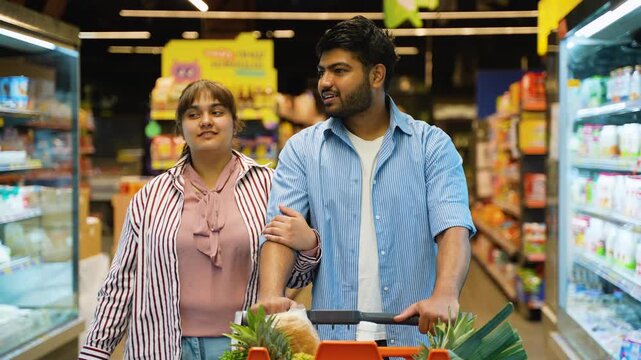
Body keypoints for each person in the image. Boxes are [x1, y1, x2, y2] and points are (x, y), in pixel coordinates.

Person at [257, 16, 476, 347]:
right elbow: (280, 233)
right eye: (322, 71)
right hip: (333, 340)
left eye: (340, 71)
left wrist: (445, 294)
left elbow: (453, 227)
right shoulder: (303, 150)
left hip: (413, 338)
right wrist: (270, 296)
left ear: (376, 74)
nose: (325, 82)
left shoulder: (431, 145)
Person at [79, 80, 319, 360]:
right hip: (163, 347)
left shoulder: (270, 187)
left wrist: (309, 244)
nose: (206, 121)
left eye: (217, 112)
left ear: (234, 121)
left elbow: (296, 277)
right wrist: (95, 352)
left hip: (247, 346)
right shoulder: (150, 198)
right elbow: (122, 282)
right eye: (194, 115)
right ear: (180, 128)